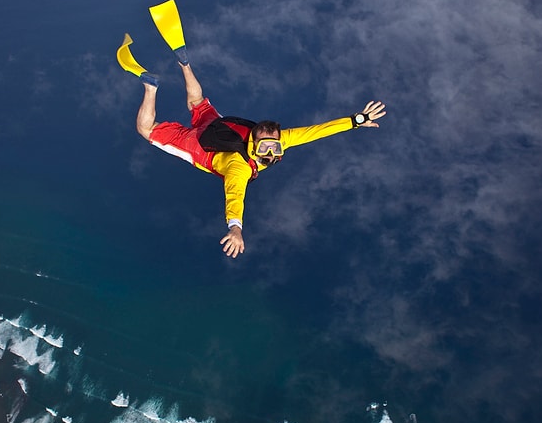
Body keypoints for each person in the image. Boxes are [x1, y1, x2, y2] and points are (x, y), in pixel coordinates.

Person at [117, 34, 386, 258]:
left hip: (219, 128)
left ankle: (184, 63)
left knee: (197, 103)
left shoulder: (282, 138)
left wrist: (355, 120)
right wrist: (236, 229)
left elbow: (316, 132)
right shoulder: (239, 168)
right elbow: (235, 197)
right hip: (199, 145)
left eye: (275, 148)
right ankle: (151, 88)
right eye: (268, 149)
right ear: (255, 142)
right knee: (146, 130)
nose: (270, 155)